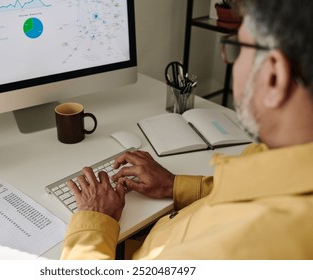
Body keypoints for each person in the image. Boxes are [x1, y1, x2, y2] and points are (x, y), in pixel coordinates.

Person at [61, 0, 313, 259]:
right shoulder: (282, 157)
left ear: (274, 76)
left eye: (236, 49)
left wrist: (94, 220)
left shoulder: (242, 242)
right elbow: (258, 188)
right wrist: (175, 185)